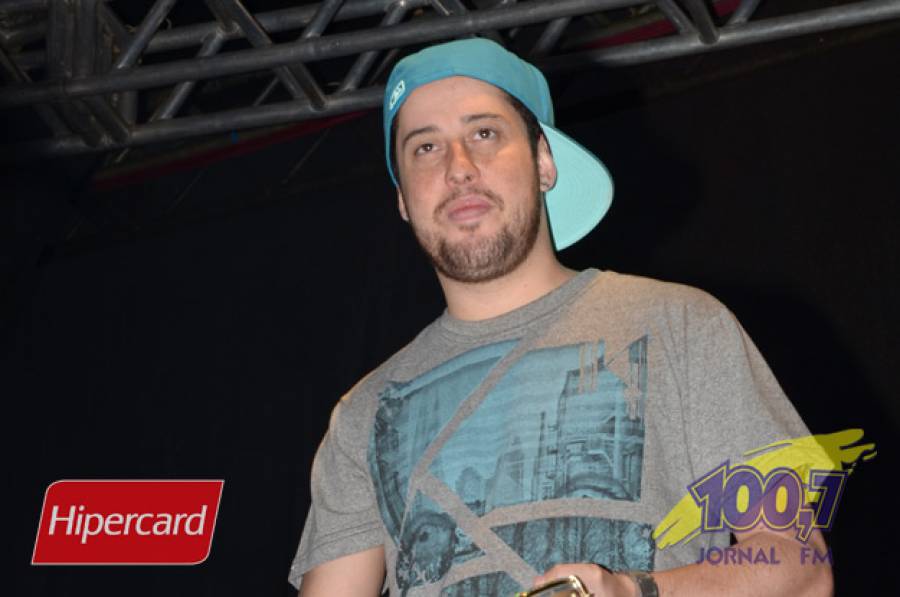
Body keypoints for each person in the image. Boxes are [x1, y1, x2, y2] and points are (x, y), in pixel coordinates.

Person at [289, 38, 833, 596]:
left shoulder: (682, 325)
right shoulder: (365, 415)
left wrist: (633, 592)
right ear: (403, 199)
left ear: (544, 161)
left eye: (484, 134)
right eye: (425, 147)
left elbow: (801, 568)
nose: (458, 168)